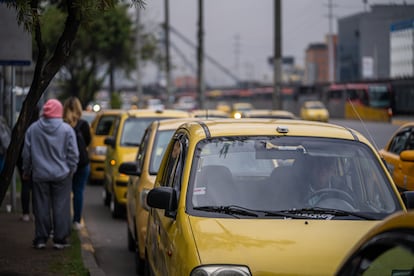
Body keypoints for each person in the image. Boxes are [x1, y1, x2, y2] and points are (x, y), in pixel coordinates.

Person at [22, 99, 79, 249]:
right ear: (59, 112)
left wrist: (26, 171)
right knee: (61, 206)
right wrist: (71, 169)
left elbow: (26, 154)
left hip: (40, 174)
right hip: (62, 175)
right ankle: (59, 239)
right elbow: (74, 153)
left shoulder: (33, 129)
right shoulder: (66, 130)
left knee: (41, 207)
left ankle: (41, 238)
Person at [63, 97, 91, 231]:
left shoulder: (63, 125)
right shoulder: (83, 124)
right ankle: (77, 221)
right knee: (78, 192)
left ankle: (62, 220)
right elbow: (88, 142)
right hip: (82, 163)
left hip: (65, 163)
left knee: (63, 193)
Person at [16, 106, 40, 222]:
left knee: (25, 186)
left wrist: (25, 168)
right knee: (36, 188)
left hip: (21, 159)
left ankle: (25, 213)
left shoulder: (21, 126)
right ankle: (36, 213)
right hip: (37, 161)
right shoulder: (38, 127)